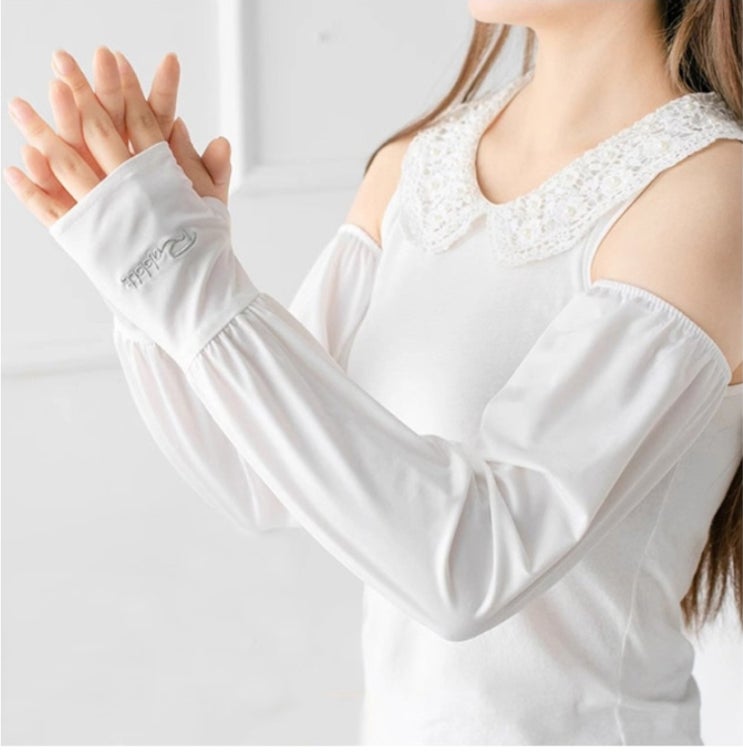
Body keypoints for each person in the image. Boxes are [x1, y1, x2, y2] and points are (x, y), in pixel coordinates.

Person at [4, 0, 742, 744]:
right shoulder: (415, 168)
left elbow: (477, 565)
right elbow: (259, 476)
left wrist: (187, 281)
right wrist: (150, 287)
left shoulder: (711, 192)